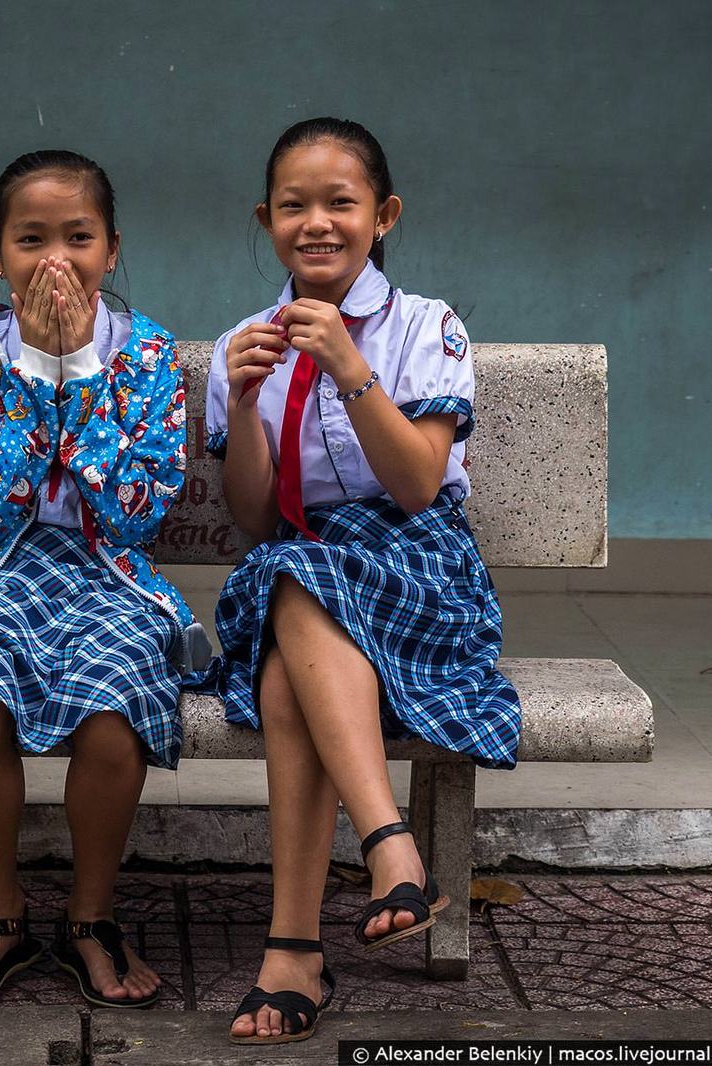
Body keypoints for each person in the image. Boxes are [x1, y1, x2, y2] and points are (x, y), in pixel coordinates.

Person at [201, 118, 521, 1045]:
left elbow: (420, 484)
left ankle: (328, 908)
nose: (318, 223)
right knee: (288, 600)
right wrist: (250, 402)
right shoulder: (245, 343)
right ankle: (358, 892)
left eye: (340, 204)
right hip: (307, 575)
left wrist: (349, 368)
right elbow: (256, 518)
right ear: (266, 220)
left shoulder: (428, 325)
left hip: (420, 570)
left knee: (289, 596)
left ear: (382, 217)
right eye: (294, 206)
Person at [0, 149, 206, 1010]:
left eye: (79, 237)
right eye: (31, 239)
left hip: (109, 579)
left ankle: (91, 918)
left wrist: (83, 373)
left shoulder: (151, 353)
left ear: (113, 249)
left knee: (113, 711)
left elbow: (131, 513)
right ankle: (0, 916)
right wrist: (32, 378)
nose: (57, 261)